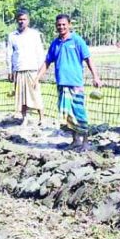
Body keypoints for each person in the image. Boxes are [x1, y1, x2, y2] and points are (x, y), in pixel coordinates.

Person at [37, 14, 102, 151]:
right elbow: (47, 62)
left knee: (79, 112)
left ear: (69, 24)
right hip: (62, 83)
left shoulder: (77, 40)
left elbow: (88, 59)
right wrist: (37, 78)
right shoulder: (55, 43)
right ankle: (75, 141)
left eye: (63, 24)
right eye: (59, 25)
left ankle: (85, 142)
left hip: (75, 83)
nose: (61, 27)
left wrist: (95, 77)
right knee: (68, 115)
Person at [6, 9, 45, 126]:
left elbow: (40, 53)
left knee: (35, 94)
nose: (22, 22)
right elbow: (9, 54)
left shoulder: (35, 34)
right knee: (21, 96)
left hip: (32, 69)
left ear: (28, 20)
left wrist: (40, 72)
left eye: (24, 19)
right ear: (17, 21)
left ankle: (41, 118)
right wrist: (10, 70)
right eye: (20, 19)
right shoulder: (12, 36)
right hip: (19, 69)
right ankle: (25, 118)